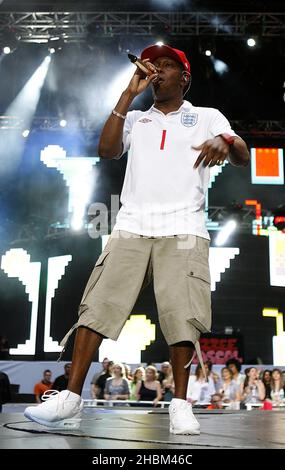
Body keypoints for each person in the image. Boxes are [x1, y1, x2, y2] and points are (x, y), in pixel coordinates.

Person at [24, 43, 249, 434]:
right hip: (131, 224)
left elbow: (242, 153)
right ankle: (71, 399)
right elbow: (107, 149)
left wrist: (226, 143)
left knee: (182, 316)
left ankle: (180, 403)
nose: (157, 71)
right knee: (96, 306)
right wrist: (128, 94)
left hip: (183, 228)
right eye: (153, 65)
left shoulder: (207, 116)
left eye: (167, 65)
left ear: (185, 77)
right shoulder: (135, 118)